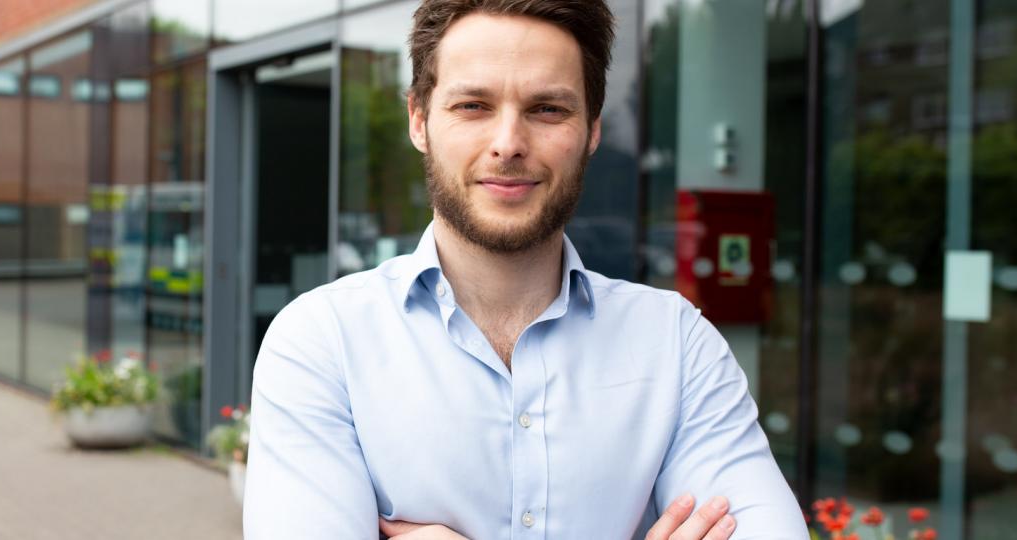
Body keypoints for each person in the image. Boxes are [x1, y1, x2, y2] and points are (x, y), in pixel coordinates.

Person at [243, 1, 807, 538]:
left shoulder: (678, 344)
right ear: (419, 120)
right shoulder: (322, 342)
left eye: (547, 109)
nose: (508, 144)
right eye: (473, 106)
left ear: (591, 131)